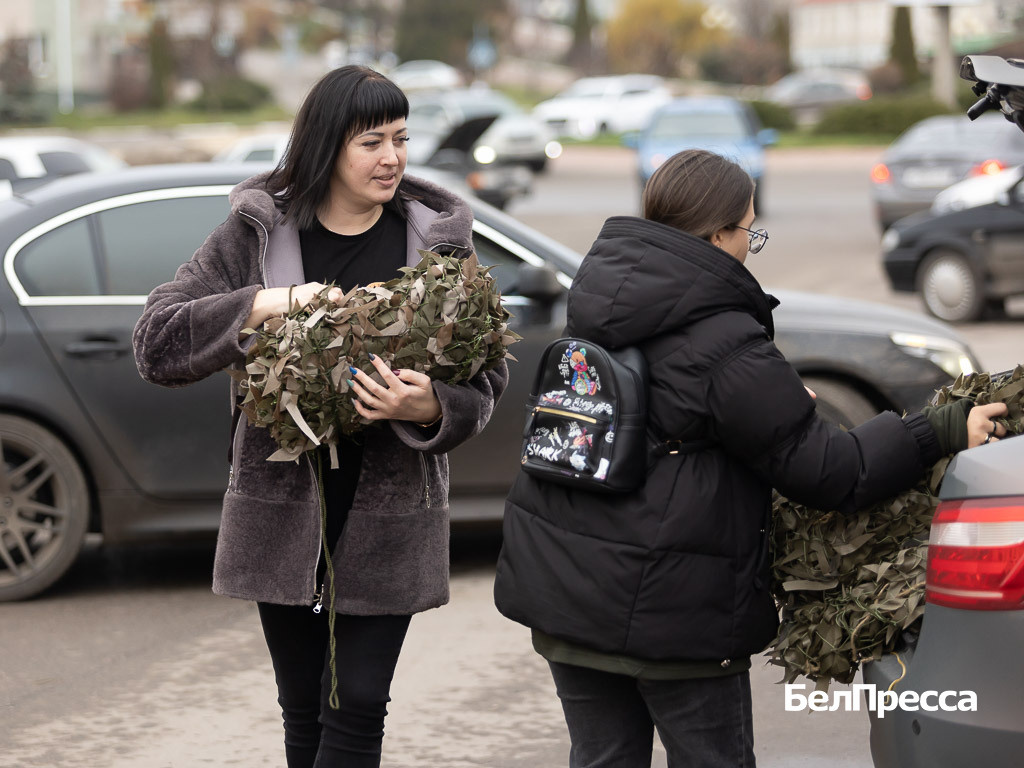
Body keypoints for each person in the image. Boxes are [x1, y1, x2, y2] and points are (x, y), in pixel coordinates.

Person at [493, 148, 1006, 768]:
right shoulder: (723, 339)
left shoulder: (599, 302)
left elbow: (678, 412)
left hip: (566, 592)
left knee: (601, 757)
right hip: (673, 613)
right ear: (716, 235)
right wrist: (940, 428)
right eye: (749, 230)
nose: (749, 244)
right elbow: (832, 471)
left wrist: (774, 405)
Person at [133, 66, 507, 768]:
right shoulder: (256, 235)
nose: (392, 157)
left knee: (360, 704)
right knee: (303, 709)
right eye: (371, 141)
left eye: (400, 138)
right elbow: (157, 342)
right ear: (326, 146)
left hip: (392, 512)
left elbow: (489, 376)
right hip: (282, 511)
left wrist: (431, 406)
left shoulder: (437, 244)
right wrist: (266, 304)